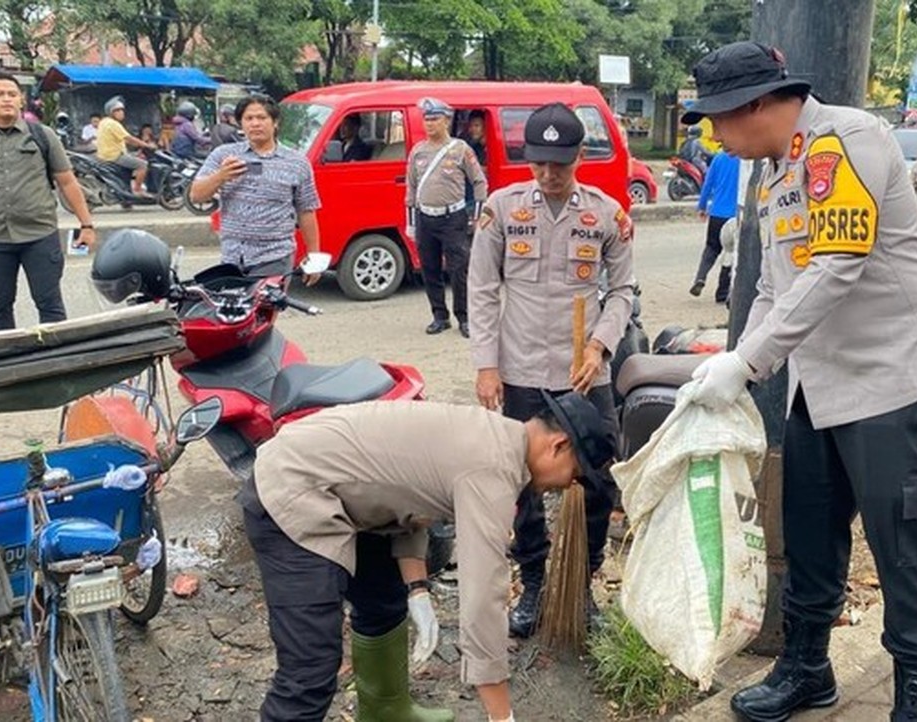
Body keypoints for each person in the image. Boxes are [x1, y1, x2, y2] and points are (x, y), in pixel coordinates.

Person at [681, 41, 917, 722]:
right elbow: (772, 286)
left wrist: (748, 363)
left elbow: (839, 262)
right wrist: (740, 360)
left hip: (897, 376)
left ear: (756, 104)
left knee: (902, 541)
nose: (714, 135)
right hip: (820, 382)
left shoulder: (844, 141)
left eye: (717, 119)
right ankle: (808, 667)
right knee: (810, 530)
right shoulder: (772, 171)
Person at [244, 394, 615, 722]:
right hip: (296, 486)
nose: (567, 486)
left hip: (337, 482)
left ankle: (385, 710)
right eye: (575, 475)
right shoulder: (492, 471)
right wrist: (502, 715)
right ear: (558, 446)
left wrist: (418, 590)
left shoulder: (492, 434)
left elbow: (407, 494)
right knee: (311, 668)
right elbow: (483, 598)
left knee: (384, 600)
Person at [468, 101, 634, 641]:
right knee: (520, 482)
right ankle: (536, 582)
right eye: (538, 162)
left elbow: (623, 291)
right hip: (520, 370)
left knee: (599, 480)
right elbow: (482, 289)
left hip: (584, 373)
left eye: (559, 164)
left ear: (579, 156)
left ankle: (580, 584)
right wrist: (486, 365)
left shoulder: (607, 215)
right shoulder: (502, 209)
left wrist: (600, 347)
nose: (548, 173)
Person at [0, 71, 96, 330]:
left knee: (50, 305)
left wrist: (87, 225)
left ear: (21, 99)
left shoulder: (43, 135)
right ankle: (6, 356)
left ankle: (54, 356)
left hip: (40, 236)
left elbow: (68, 182)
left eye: (12, 94)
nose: (7, 99)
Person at [190, 94, 322, 282]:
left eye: (261, 118)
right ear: (241, 124)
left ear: (275, 122)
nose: (255, 124)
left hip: (275, 257)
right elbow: (196, 196)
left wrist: (314, 257)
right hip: (232, 258)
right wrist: (221, 176)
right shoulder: (223, 155)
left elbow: (306, 210)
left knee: (265, 303)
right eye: (249, 118)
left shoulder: (297, 163)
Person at [405, 97, 488, 337]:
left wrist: (478, 216)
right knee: (429, 270)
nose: (430, 124)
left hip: (453, 218)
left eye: (435, 119)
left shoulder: (460, 149)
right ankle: (440, 317)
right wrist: (411, 222)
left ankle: (465, 318)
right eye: (427, 119)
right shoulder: (418, 152)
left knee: (459, 270)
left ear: (447, 121)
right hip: (425, 217)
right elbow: (411, 188)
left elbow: (479, 182)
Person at [691, 149, 739, 303]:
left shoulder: (718, 158)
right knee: (731, 252)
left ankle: (700, 277)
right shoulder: (746, 159)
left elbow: (708, 184)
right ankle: (722, 292)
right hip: (736, 215)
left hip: (717, 213)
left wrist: (702, 206)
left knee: (711, 248)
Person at [96, 96, 157, 196]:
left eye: (122, 110)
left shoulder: (104, 122)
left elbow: (124, 139)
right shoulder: (113, 124)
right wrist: (147, 145)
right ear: (111, 112)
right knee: (143, 165)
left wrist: (139, 145)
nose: (121, 113)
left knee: (134, 157)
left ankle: (129, 190)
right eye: (117, 110)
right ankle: (138, 190)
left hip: (106, 155)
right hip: (115, 156)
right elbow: (129, 138)